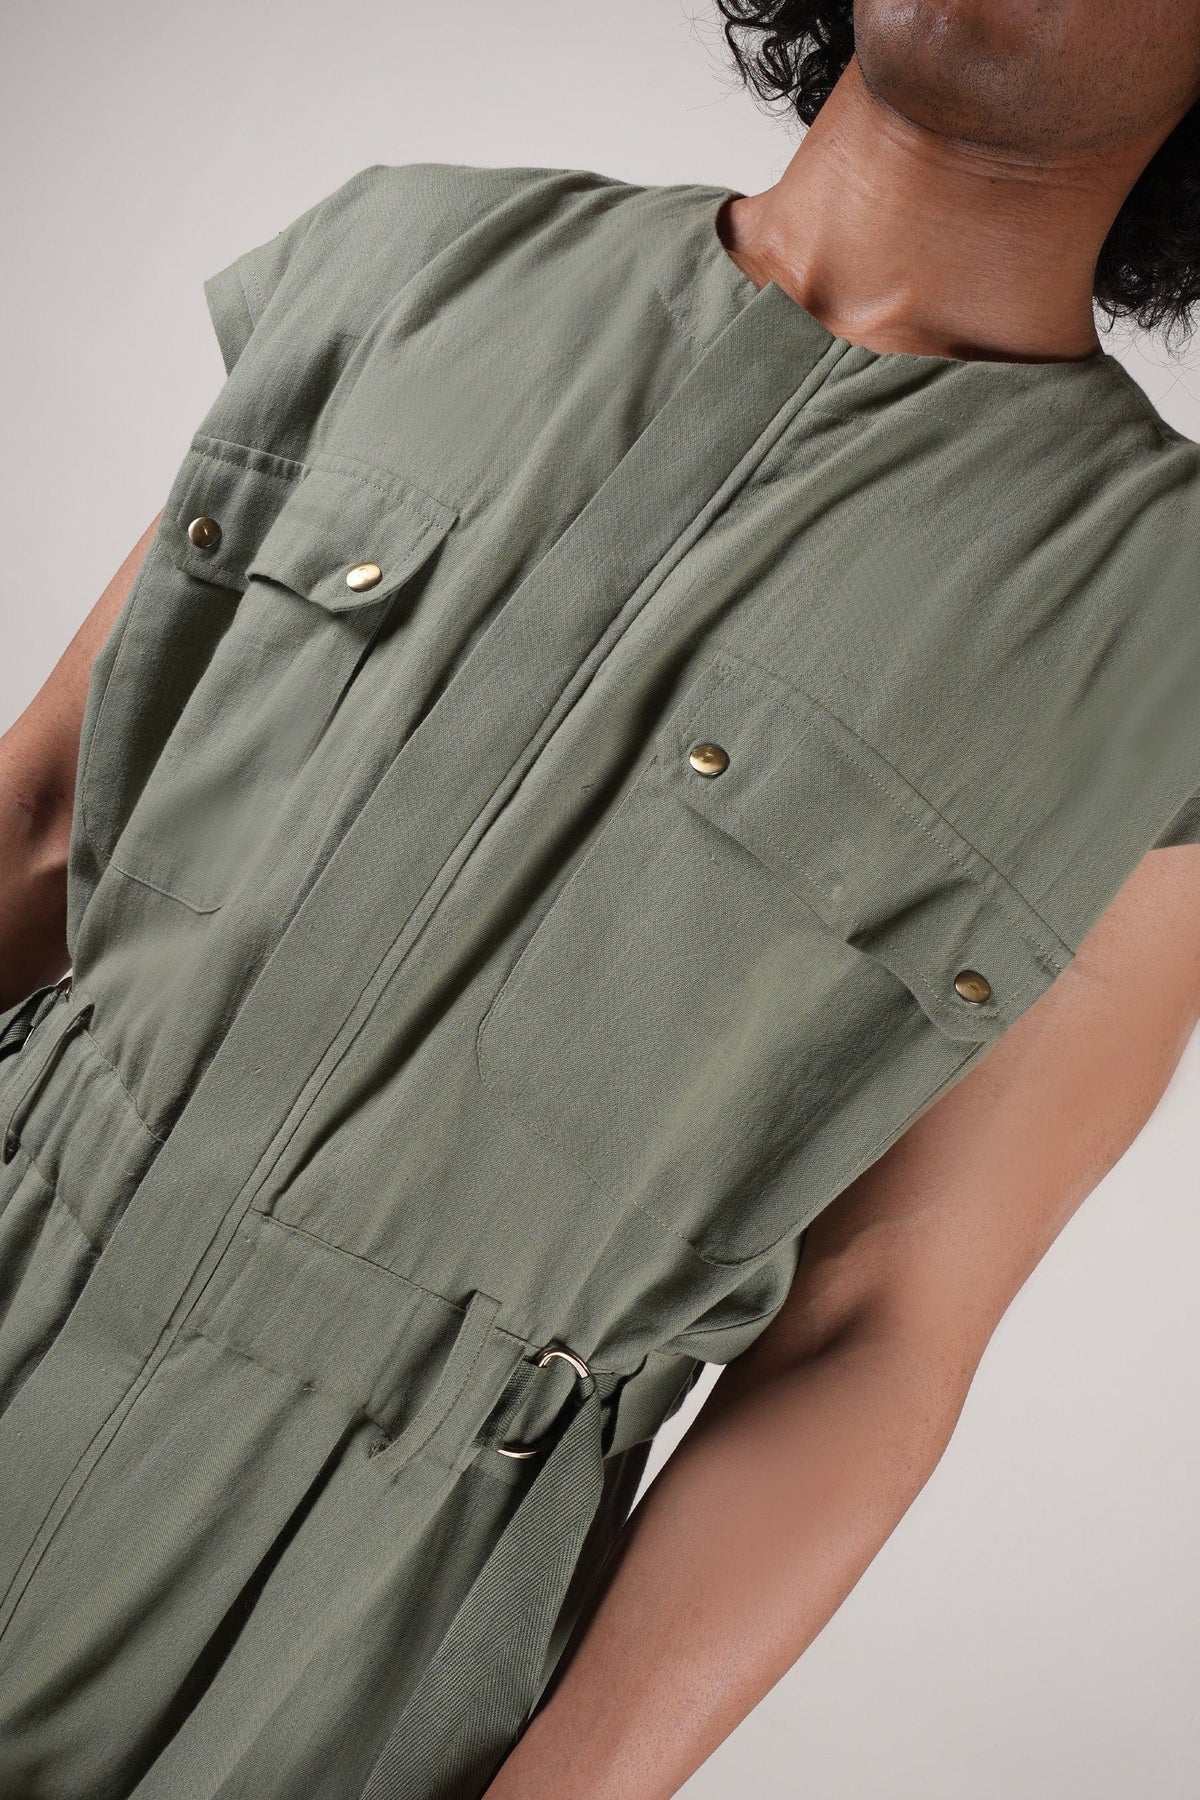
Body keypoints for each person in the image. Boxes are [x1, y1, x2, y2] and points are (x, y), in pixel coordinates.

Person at [1, 2, 1198, 1795]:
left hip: (336, 1639)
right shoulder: (421, 258)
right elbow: (35, 829)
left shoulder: (1162, 638)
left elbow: (878, 1327)